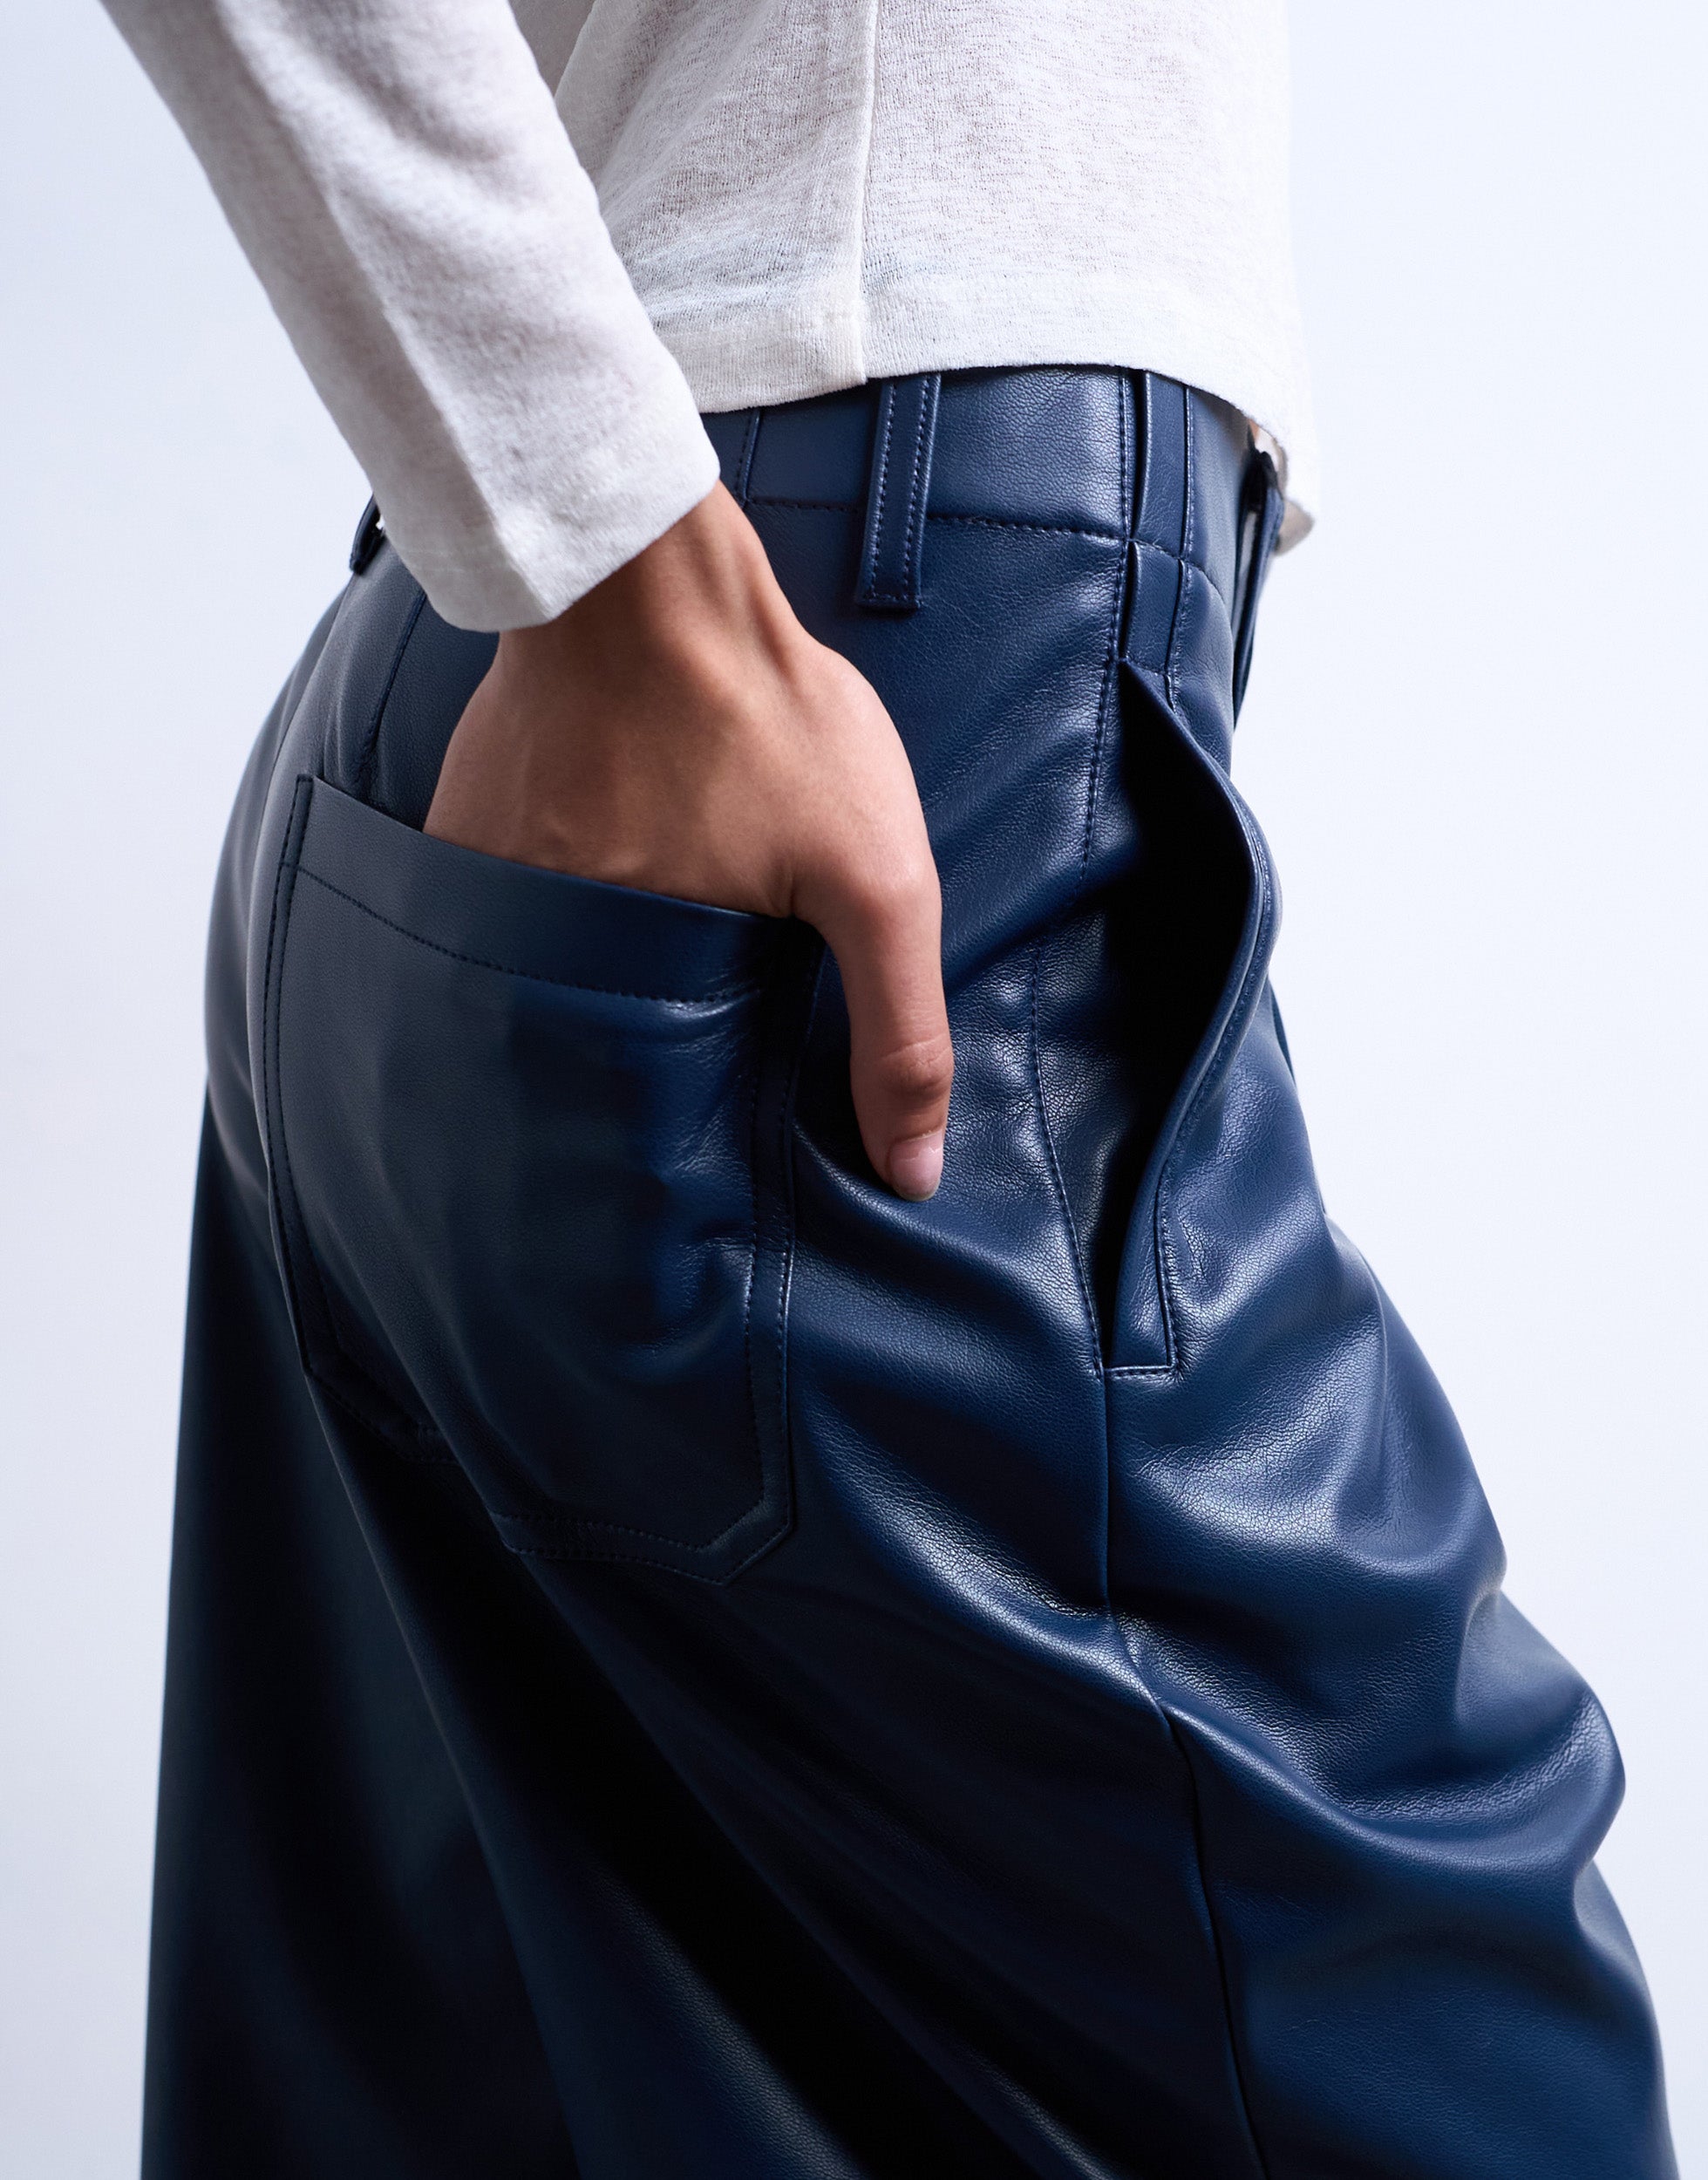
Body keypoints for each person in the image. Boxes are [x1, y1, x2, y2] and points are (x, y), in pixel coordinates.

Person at [102, 2, 1677, 2173]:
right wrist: (614, 562)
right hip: (818, 683)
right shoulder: (682, 604)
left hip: (548, 734)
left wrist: (583, 537)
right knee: (1452, 2042)